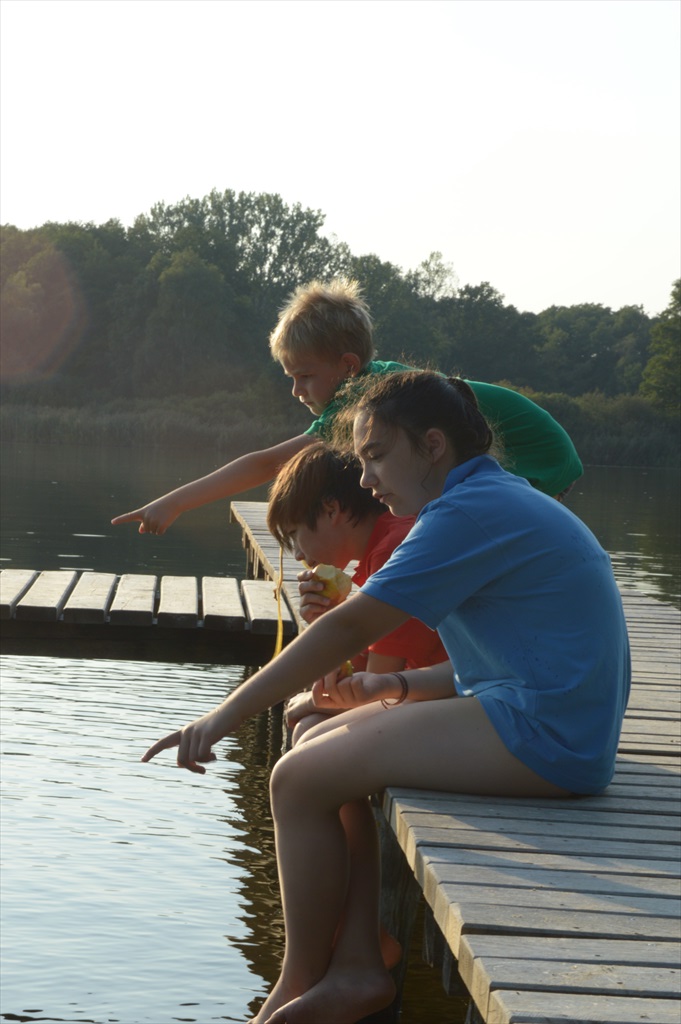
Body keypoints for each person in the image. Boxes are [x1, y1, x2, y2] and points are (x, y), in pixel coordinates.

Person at [141, 371, 629, 1024]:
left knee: (296, 780)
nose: (365, 480)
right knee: (314, 741)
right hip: (544, 714)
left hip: (547, 737)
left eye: (375, 457)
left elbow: (351, 625)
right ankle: (356, 960)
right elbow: (505, 655)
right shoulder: (482, 499)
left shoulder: (465, 513)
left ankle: (306, 979)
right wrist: (393, 686)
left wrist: (223, 715)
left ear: (432, 445)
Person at [111, 279, 582, 535]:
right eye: (291, 379)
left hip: (535, 456)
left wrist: (174, 502)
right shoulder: (373, 388)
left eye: (305, 376)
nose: (298, 391)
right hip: (527, 449)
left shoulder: (367, 399)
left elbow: (270, 463)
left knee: (466, 528)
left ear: (347, 365)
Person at [265, 440, 448, 739]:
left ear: (331, 509)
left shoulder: (395, 549)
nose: (297, 554)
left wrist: (312, 700)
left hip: (457, 695)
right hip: (427, 689)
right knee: (309, 725)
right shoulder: (382, 544)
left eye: (295, 534)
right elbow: (358, 673)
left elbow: (375, 683)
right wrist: (329, 619)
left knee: (309, 730)